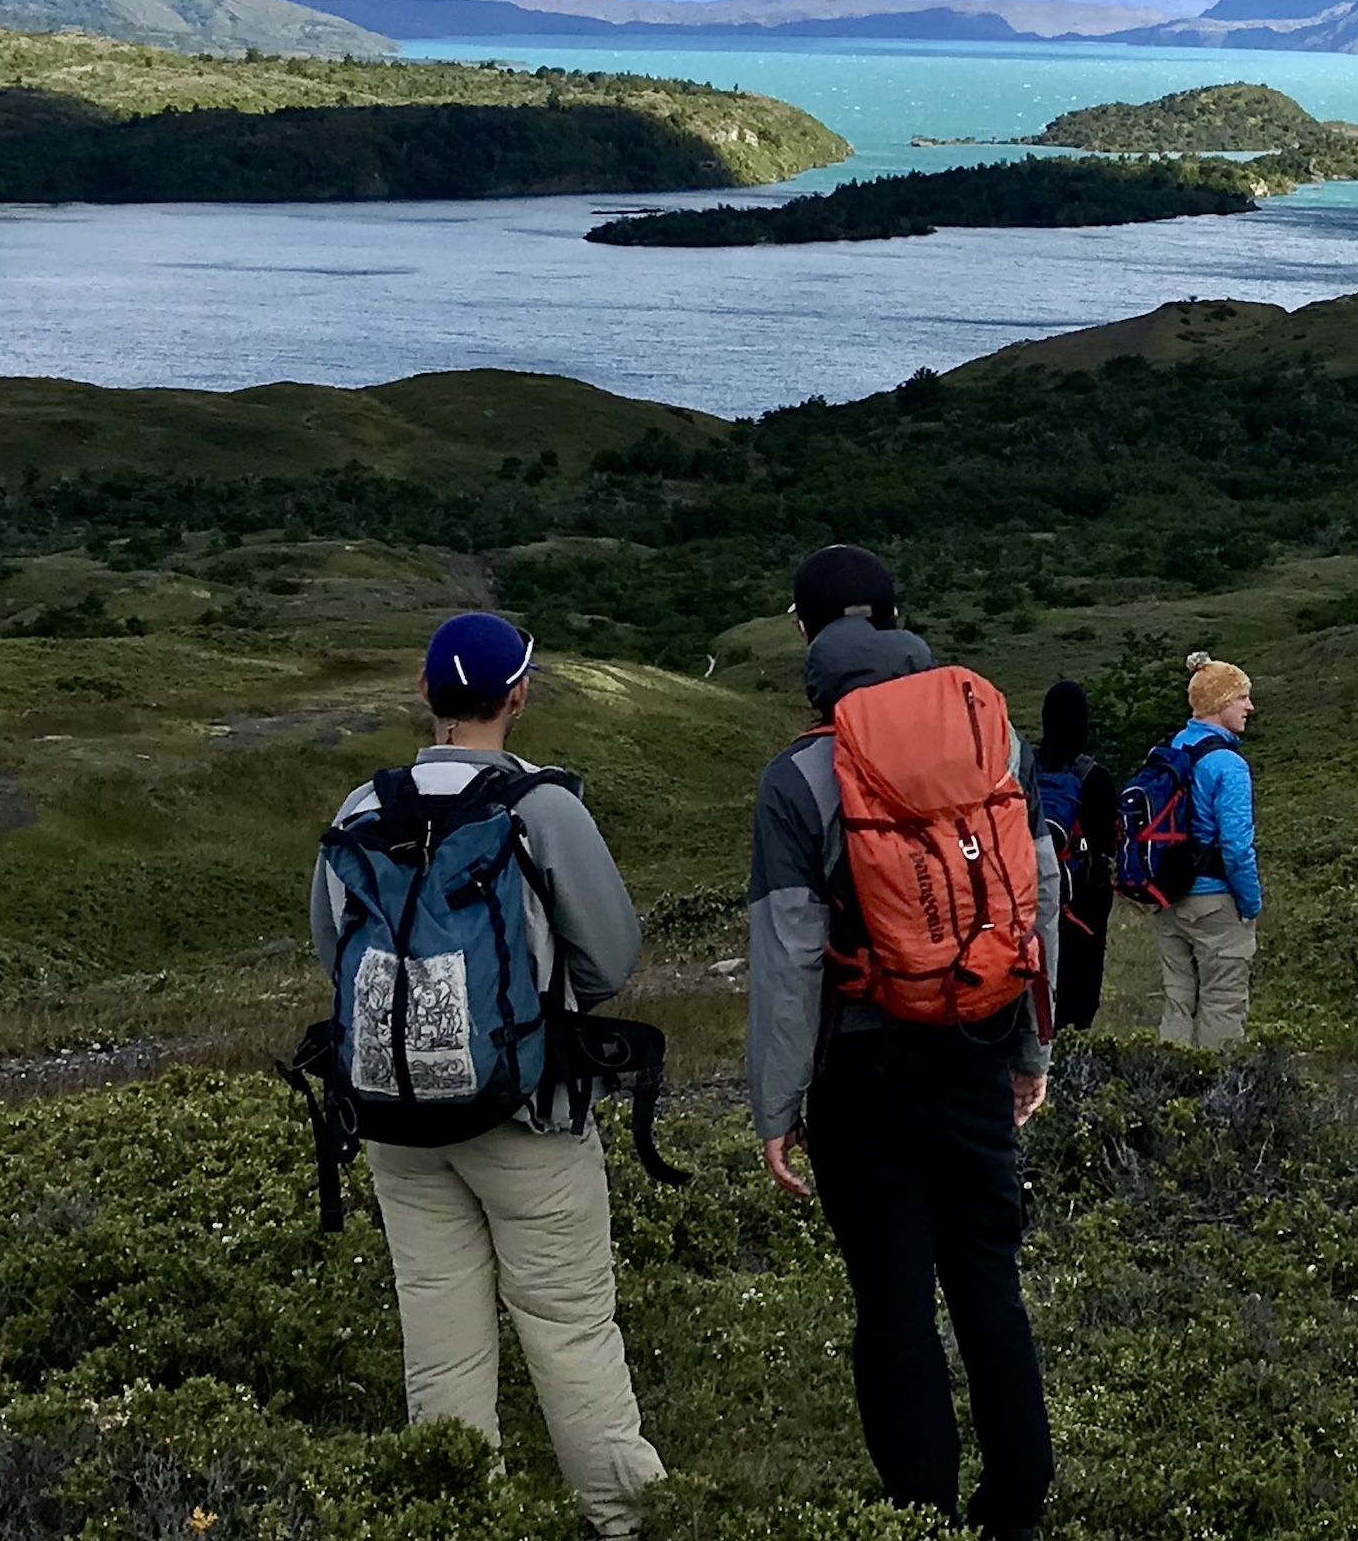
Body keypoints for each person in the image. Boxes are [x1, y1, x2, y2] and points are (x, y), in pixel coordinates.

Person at [309, 611, 666, 1538]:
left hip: (399, 1121)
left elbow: (333, 952)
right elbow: (613, 958)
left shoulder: (359, 811)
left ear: (426, 697)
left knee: (440, 1340)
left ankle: (454, 1516)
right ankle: (620, 1522)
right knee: (569, 1327)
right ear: (519, 696)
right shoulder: (542, 809)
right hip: (531, 1117)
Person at [747, 544, 1061, 1541]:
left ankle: (919, 1509)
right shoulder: (993, 738)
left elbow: (788, 952)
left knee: (892, 1296)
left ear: (806, 637)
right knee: (988, 1281)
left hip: (861, 1071)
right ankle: (1017, 1498)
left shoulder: (798, 776)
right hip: (975, 1039)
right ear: (897, 621)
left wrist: (777, 1106)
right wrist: (1031, 1051)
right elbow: (1033, 896)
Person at [1153, 651, 1260, 1048]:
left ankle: (1167, 1092)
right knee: (1223, 1002)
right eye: (1241, 697)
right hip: (1215, 902)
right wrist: (1250, 905)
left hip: (1167, 897)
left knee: (1177, 1000)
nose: (1249, 706)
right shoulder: (1228, 765)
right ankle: (1214, 1097)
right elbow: (1235, 847)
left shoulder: (1168, 749)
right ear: (1218, 703)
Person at [1039, 679, 1119, 1032]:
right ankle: (1070, 1064)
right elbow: (1108, 842)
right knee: (1078, 995)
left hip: (1027, 896)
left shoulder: (1025, 767)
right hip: (1083, 905)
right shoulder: (1095, 777)